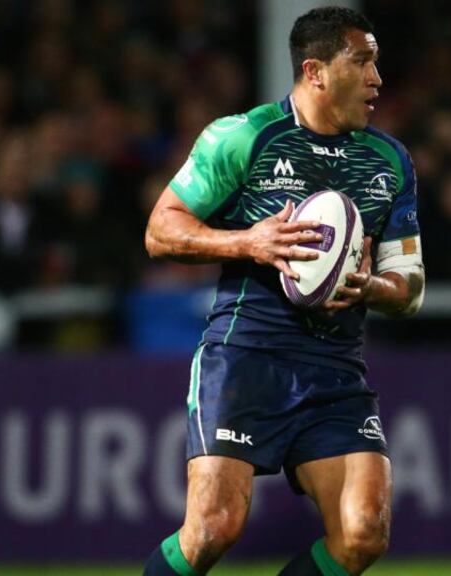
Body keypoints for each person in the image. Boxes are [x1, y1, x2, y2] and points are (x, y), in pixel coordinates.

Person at [142, 7, 424, 576]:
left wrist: (368, 285)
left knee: (363, 534)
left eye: (377, 63)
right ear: (315, 71)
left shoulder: (390, 161)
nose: (377, 80)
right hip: (247, 355)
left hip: (335, 367)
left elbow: (410, 287)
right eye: (363, 62)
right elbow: (160, 230)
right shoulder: (244, 137)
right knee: (213, 528)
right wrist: (248, 242)